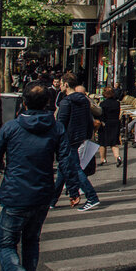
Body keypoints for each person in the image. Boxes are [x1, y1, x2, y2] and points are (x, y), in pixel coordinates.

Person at [0, 83, 81, 271]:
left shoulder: (12, 128)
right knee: (31, 242)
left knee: (6, 243)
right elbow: (67, 160)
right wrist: (74, 190)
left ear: (23, 103)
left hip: (16, 194)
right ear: (47, 103)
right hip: (41, 194)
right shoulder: (55, 128)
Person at [50, 72, 101, 211]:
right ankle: (52, 200)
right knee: (63, 169)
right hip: (80, 137)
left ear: (66, 85)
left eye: (61, 83)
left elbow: (61, 124)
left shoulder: (66, 102)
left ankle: (92, 197)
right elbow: (88, 119)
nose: (60, 86)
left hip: (68, 139)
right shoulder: (84, 100)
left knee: (74, 169)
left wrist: (56, 140)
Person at [98, 87, 122, 167]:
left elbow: (101, 115)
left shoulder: (102, 104)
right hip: (115, 123)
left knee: (102, 142)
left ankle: (103, 159)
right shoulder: (117, 103)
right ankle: (117, 157)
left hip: (105, 124)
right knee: (114, 143)